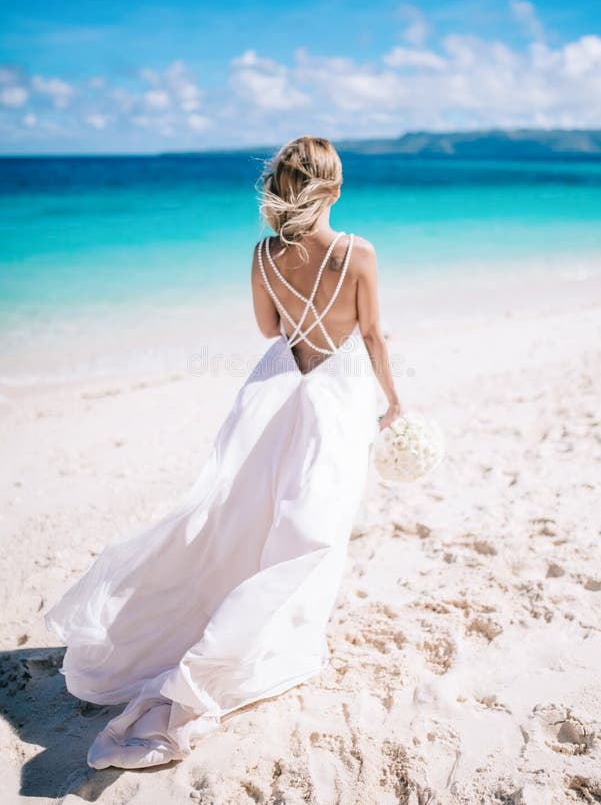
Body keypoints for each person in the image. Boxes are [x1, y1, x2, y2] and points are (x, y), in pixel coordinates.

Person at [44, 135, 403, 770]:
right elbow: (371, 333)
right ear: (333, 188)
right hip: (338, 394)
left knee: (252, 511)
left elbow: (270, 329)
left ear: (284, 188)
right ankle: (255, 645)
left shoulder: (264, 253)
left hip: (279, 387)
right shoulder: (357, 252)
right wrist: (395, 402)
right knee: (313, 522)